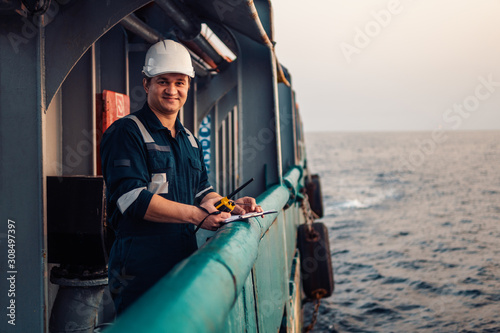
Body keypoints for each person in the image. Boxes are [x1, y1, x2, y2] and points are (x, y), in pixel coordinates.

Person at [100, 39, 262, 315]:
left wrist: (232, 207)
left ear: (188, 85)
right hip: (138, 269)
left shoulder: (190, 140)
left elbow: (203, 192)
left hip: (182, 262)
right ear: (146, 84)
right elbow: (132, 199)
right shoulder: (126, 133)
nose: (172, 90)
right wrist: (198, 216)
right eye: (163, 81)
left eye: (180, 82)